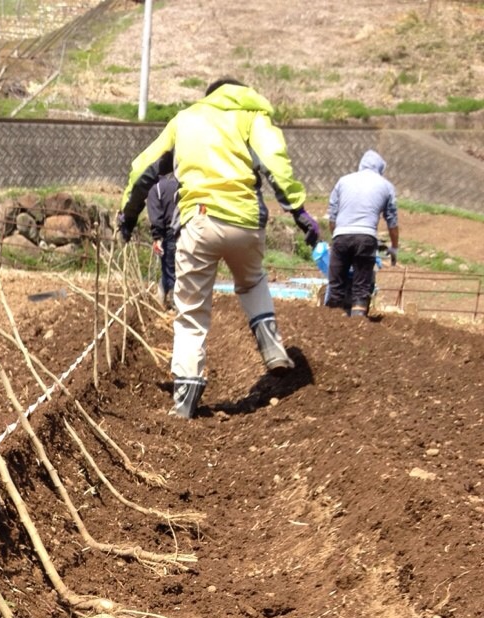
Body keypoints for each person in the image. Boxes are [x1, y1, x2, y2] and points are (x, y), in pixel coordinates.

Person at [116, 78, 319, 419]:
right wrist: (300, 213)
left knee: (192, 310)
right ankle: (273, 351)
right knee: (252, 281)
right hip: (246, 221)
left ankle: (185, 398)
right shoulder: (252, 116)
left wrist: (128, 216)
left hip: (199, 221)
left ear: (208, 96)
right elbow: (276, 166)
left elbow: (144, 169)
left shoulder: (186, 120)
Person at [325, 150, 399, 318]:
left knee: (336, 285)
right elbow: (392, 221)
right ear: (380, 169)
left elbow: (332, 217)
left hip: (341, 235)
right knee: (361, 287)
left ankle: (330, 323)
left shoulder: (343, 181)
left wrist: (337, 238)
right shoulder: (386, 186)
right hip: (366, 238)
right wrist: (394, 248)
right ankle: (358, 324)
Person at [146, 171, 179, 308]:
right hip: (185, 228)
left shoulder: (155, 189)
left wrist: (157, 238)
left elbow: (156, 217)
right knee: (179, 267)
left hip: (169, 231)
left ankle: (176, 306)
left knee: (170, 268)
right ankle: (161, 300)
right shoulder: (177, 184)